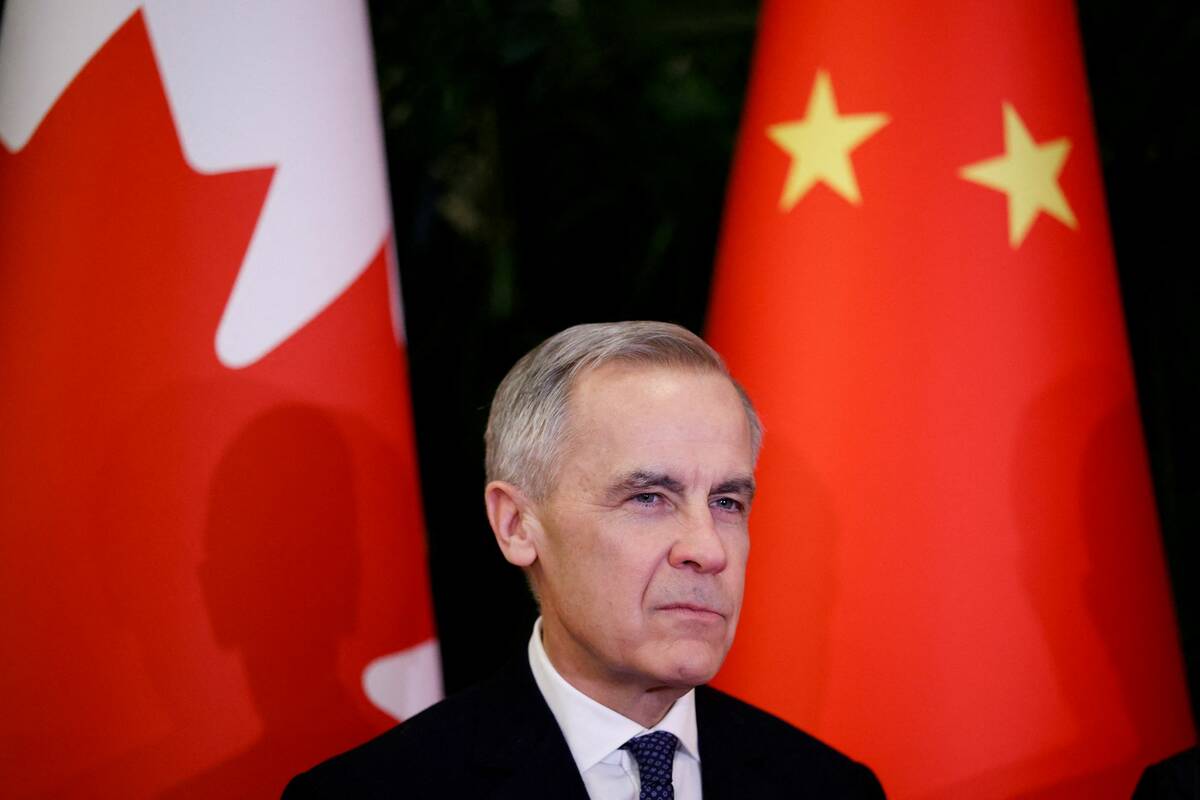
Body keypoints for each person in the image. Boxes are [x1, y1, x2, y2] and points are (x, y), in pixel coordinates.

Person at [283, 321, 885, 798]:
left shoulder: (831, 787)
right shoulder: (375, 793)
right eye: (649, 497)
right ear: (518, 526)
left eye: (727, 501)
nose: (707, 549)